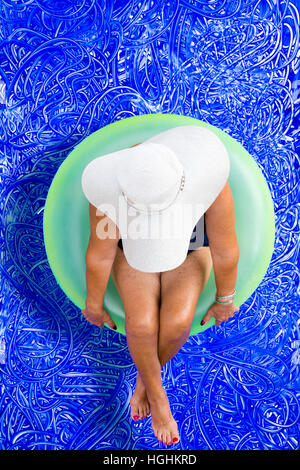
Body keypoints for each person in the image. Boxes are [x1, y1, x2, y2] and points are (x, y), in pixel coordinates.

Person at [81, 125, 240, 446]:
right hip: (132, 249)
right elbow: (100, 256)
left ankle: (143, 383)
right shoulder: (114, 190)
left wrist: (225, 298)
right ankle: (158, 395)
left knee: (178, 321)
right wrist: (94, 306)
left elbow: (225, 249)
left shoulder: (208, 182)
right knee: (140, 325)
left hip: (191, 250)